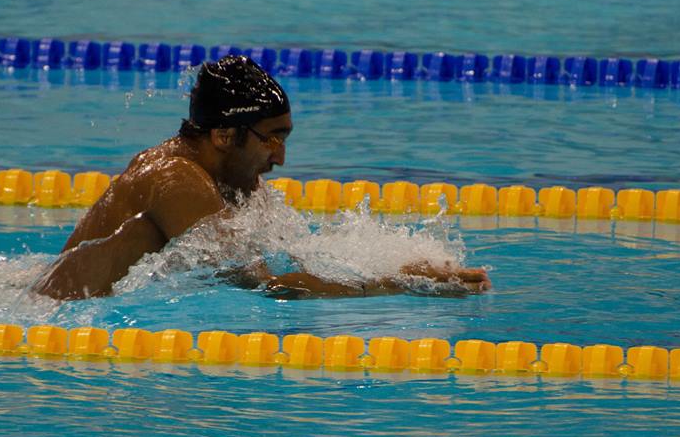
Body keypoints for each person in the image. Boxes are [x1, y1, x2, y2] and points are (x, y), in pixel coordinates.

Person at [32, 55, 490, 300]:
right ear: (224, 135)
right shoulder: (175, 179)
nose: (282, 158)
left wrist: (397, 266)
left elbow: (299, 256)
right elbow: (268, 285)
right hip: (54, 322)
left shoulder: (231, 179)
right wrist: (401, 286)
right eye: (271, 139)